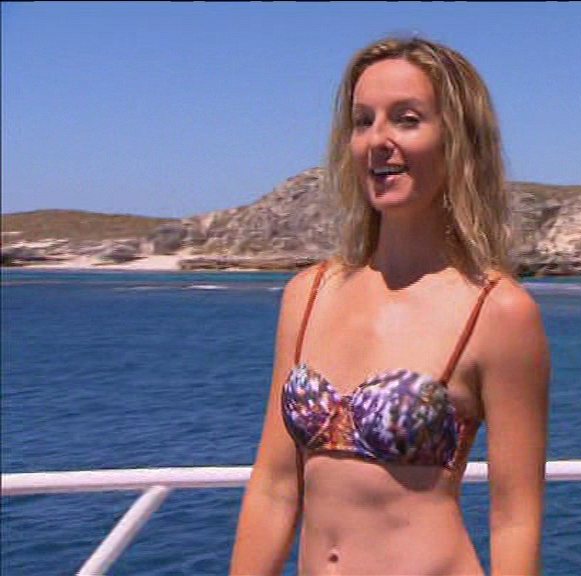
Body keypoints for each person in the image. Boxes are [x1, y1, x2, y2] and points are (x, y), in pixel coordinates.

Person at [230, 36, 550, 575]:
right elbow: (275, 486)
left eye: (406, 119)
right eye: (363, 121)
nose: (378, 140)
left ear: (457, 140)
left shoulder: (498, 312)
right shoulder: (307, 296)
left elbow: (514, 518)